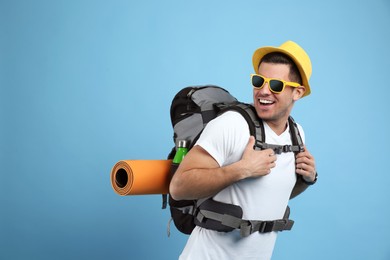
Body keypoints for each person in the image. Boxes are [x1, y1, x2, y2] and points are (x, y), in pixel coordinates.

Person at [169, 40, 317, 260]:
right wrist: (241, 170)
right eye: (259, 81)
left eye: (275, 85)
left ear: (297, 92)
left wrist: (306, 179)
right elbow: (178, 187)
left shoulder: (296, 134)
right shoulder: (232, 125)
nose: (263, 91)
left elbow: (268, 195)